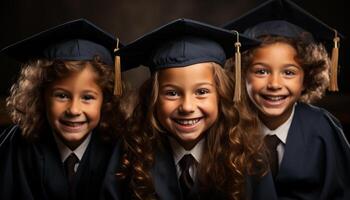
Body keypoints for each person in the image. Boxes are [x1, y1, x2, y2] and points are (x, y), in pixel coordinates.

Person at [101, 18, 277, 200]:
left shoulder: (248, 156)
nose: (187, 107)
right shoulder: (131, 153)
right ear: (152, 99)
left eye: (201, 92)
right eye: (172, 93)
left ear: (222, 96)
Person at [223, 0, 350, 199]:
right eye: (261, 71)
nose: (274, 84)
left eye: (289, 72)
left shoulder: (323, 128)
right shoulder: (229, 127)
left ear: (307, 78)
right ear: (241, 73)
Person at [0, 19, 127, 200]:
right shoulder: (15, 147)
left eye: (87, 97)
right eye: (62, 95)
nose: (74, 110)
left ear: (106, 100)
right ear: (40, 96)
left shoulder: (120, 151)